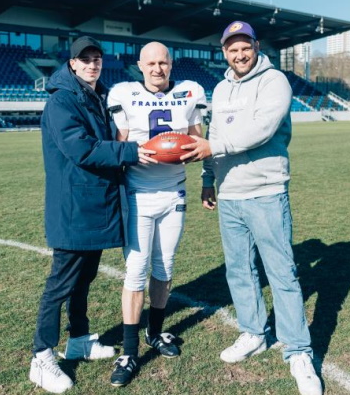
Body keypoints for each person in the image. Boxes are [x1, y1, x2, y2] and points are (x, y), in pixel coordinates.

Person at [180, 21, 323, 395]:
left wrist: (214, 149)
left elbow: (262, 129)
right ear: (224, 52)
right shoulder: (221, 88)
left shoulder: (275, 81)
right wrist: (208, 178)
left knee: (282, 273)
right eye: (233, 49)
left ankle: (298, 351)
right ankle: (254, 333)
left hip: (265, 192)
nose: (240, 54)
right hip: (229, 194)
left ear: (257, 47)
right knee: (239, 270)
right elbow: (214, 134)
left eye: (246, 47)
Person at [29, 36, 155, 394]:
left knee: (84, 279)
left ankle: (79, 340)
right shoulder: (62, 101)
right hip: (73, 206)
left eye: (97, 58)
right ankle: (41, 356)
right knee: (61, 283)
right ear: (72, 64)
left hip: (95, 203)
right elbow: (80, 148)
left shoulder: (97, 95)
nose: (92, 64)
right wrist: (130, 152)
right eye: (85, 59)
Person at [106, 41, 207, 387]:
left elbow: (198, 142)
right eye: (150, 63)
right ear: (140, 65)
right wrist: (134, 152)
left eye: (163, 62)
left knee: (164, 267)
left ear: (171, 64)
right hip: (138, 194)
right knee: (136, 271)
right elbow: (117, 145)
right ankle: (129, 351)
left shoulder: (190, 92)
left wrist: (189, 155)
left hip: (174, 192)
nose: (157, 68)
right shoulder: (124, 93)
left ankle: (154, 332)